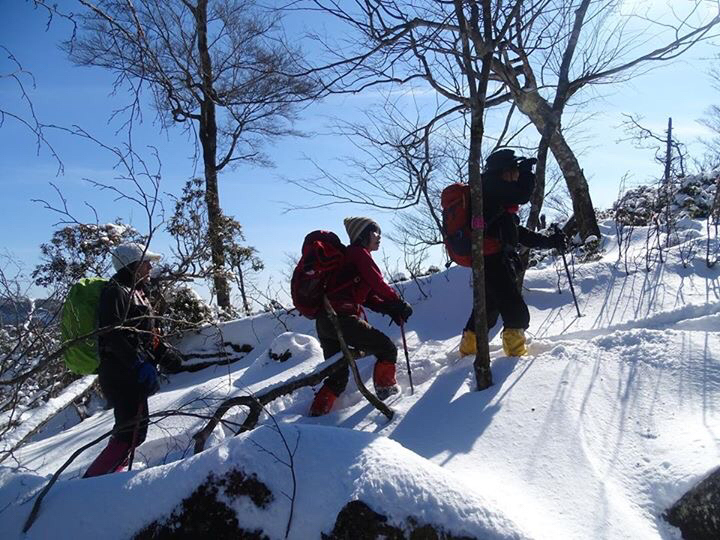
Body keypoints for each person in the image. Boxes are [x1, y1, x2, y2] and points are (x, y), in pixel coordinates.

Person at [83, 242, 180, 478]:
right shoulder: (115, 291)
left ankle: (108, 477)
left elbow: (144, 333)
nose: (150, 267)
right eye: (146, 262)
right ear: (132, 264)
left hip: (132, 371)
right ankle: (91, 483)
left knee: (137, 432)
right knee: (128, 433)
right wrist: (138, 364)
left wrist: (164, 354)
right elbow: (112, 334)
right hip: (121, 373)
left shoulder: (138, 291)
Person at [459, 149, 566, 358]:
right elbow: (522, 194)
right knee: (516, 313)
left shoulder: (495, 201)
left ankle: (467, 352)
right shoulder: (488, 185)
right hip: (492, 260)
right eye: (515, 170)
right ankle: (515, 358)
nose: (517, 175)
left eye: (518, 171)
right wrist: (528, 173)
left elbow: (518, 234)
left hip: (492, 259)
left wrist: (549, 242)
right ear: (503, 171)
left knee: (488, 310)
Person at [309, 217, 413, 416]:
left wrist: (388, 308)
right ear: (363, 235)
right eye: (375, 232)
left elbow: (365, 297)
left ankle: (316, 416)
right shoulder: (359, 253)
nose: (379, 237)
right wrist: (398, 302)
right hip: (341, 320)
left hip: (325, 323)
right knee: (387, 348)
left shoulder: (349, 257)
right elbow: (378, 283)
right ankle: (387, 393)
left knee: (337, 378)